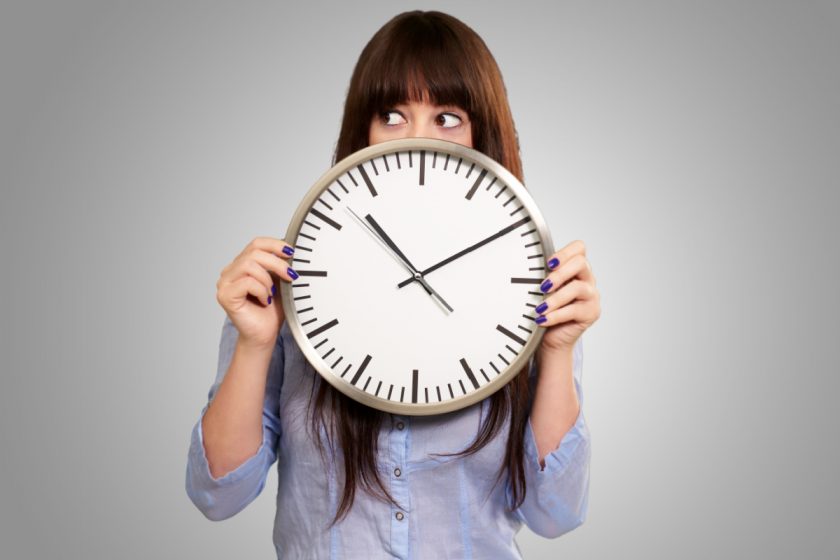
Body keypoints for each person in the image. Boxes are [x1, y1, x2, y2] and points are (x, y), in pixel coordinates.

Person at [185, 10, 601, 559]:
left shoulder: (526, 287)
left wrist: (558, 347)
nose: (419, 139)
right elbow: (219, 495)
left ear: (484, 133)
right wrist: (256, 343)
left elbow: (554, 514)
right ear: (363, 130)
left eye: (447, 117)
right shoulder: (293, 283)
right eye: (392, 114)